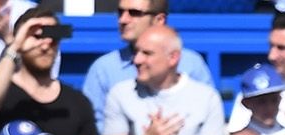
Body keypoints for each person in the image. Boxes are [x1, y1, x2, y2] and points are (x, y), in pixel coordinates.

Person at [99, 25, 224, 135]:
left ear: (173, 58)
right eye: (136, 52)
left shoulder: (206, 97)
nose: (137, 60)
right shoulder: (121, 94)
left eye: (147, 53)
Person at [82, 0, 213, 120]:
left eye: (134, 13)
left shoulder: (191, 64)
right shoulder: (104, 69)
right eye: (120, 12)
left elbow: (208, 118)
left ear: (159, 20)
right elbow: (93, 131)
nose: (123, 20)